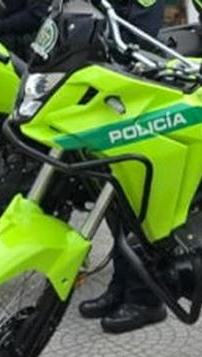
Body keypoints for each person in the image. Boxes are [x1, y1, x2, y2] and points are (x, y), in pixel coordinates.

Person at [77, 0, 168, 334]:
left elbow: (138, 38)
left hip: (137, 97)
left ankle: (146, 298)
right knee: (116, 201)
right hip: (113, 92)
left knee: (139, 201)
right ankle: (121, 284)